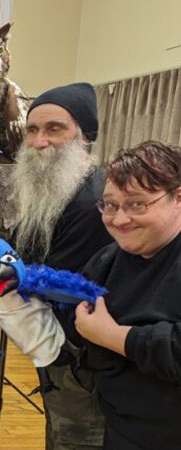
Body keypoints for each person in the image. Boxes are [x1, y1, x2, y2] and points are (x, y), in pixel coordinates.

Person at [12, 82, 114, 449]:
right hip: (62, 357)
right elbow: (18, 251)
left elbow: (46, 279)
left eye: (54, 129)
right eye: (32, 130)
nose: (39, 142)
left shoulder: (93, 204)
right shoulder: (55, 192)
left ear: (85, 136)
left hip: (84, 365)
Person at [73, 141, 181, 449]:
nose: (119, 220)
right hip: (122, 426)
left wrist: (115, 337)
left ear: (178, 199)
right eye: (110, 205)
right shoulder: (109, 259)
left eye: (137, 204)